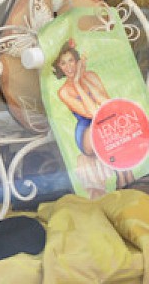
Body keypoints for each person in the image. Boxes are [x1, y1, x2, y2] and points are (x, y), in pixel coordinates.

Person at [52, 39, 116, 198]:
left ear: (77, 62)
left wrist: (84, 78)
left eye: (71, 61)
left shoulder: (91, 76)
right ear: (59, 67)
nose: (69, 67)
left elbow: (106, 104)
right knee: (103, 129)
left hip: (104, 123)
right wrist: (77, 84)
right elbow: (94, 113)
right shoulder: (64, 91)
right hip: (86, 130)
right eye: (63, 63)